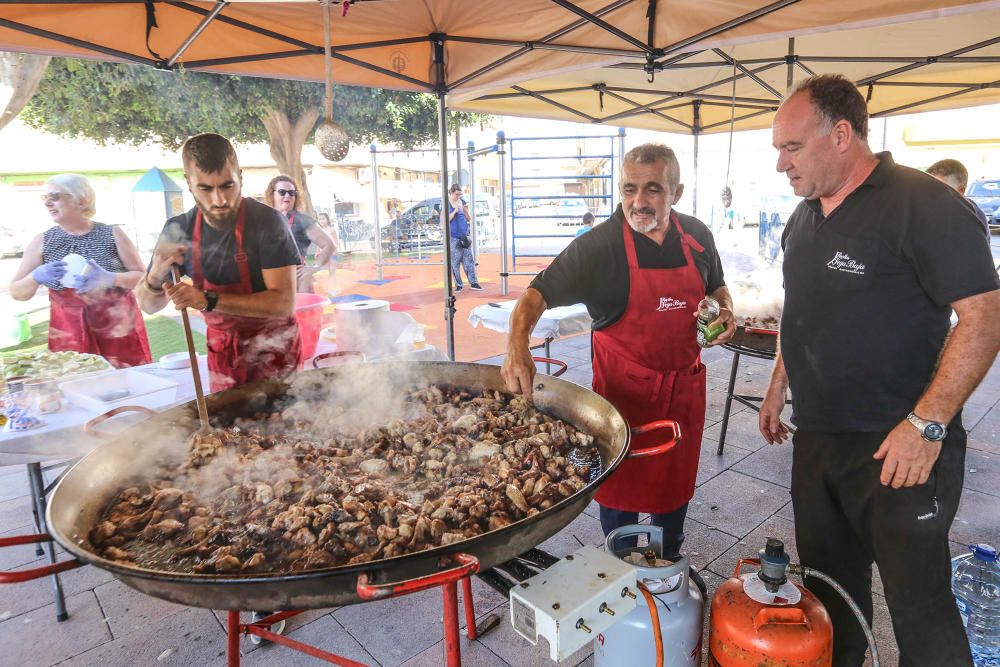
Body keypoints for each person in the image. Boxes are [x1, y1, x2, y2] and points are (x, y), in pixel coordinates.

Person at [761, 74, 1000, 666]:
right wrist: (777, 384)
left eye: (791, 147)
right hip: (819, 440)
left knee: (920, 605)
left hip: (902, 446)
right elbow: (802, 305)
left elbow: (985, 316)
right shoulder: (803, 217)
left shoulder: (927, 206)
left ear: (841, 135)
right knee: (828, 590)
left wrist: (928, 425)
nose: (780, 165)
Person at [501, 144, 735, 559]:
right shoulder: (599, 246)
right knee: (619, 500)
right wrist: (517, 347)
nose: (638, 202)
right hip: (622, 402)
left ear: (676, 192)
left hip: (682, 396)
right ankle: (619, 560)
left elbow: (716, 285)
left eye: (653, 190)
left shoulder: (697, 236)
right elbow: (535, 296)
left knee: (674, 495)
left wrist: (724, 310)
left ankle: (669, 557)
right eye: (629, 189)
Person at [137, 133, 303, 395]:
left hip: (276, 355)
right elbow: (148, 305)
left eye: (228, 185)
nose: (219, 200)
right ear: (189, 183)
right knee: (229, 431)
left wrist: (207, 300)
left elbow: (282, 303)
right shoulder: (178, 229)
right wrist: (155, 278)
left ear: (240, 176)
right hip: (224, 359)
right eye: (205, 188)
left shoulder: (267, 222)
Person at [9, 173, 151, 368]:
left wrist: (110, 278)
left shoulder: (112, 233)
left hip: (118, 329)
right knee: (77, 383)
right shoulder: (43, 241)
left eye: (55, 196)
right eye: (46, 198)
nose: (48, 203)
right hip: (69, 332)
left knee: (128, 385)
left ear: (82, 200)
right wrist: (36, 276)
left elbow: (143, 278)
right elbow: (17, 292)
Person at [264, 176, 336, 294]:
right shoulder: (264, 219)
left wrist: (314, 268)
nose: (287, 196)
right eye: (282, 192)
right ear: (272, 195)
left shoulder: (302, 220)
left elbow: (329, 245)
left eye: (291, 193)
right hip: (270, 280)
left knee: (303, 311)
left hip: (298, 280)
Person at [926, 158, 990, 236]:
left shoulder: (973, 217)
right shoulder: (933, 210)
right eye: (928, 189)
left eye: (939, 190)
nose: (931, 195)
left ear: (960, 191)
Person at [448, 184, 482, 291]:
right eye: (456, 194)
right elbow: (446, 219)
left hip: (464, 236)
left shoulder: (462, 202)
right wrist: (455, 211)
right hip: (454, 237)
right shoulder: (447, 204)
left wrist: (465, 210)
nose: (458, 196)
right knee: (455, 262)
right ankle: (459, 284)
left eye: (459, 194)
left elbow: (468, 218)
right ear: (451, 193)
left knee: (469, 261)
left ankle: (474, 282)